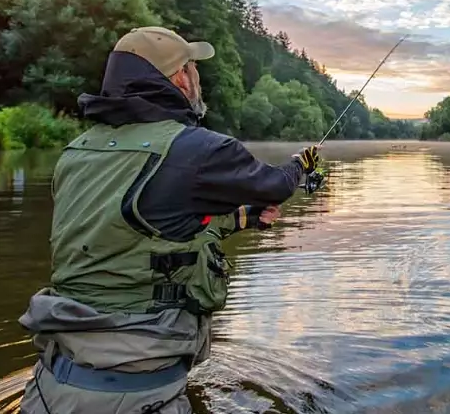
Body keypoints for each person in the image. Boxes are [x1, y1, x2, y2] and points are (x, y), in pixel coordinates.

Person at [18, 26, 321, 413]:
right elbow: (275, 186)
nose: (198, 78)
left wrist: (242, 220)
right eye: (194, 68)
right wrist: (300, 163)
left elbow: (136, 230)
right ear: (179, 77)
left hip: (48, 386)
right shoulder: (200, 149)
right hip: (138, 397)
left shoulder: (76, 153)